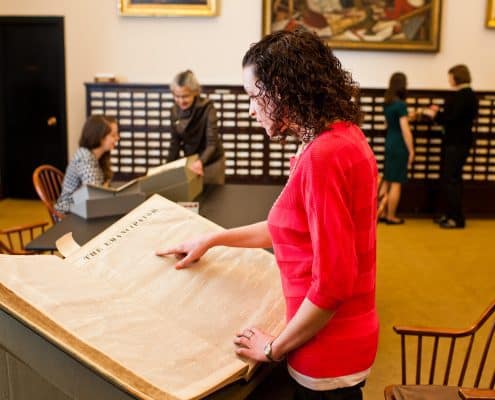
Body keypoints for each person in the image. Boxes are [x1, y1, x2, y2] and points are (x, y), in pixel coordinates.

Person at [157, 29, 379, 400]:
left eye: (251, 96)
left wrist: (272, 348)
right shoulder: (343, 136)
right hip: (348, 336)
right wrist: (212, 239)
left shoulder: (323, 157)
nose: (249, 108)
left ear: (280, 90)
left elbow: (333, 284)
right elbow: (291, 230)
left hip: (327, 351)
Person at [424, 64, 479, 229]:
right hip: (460, 142)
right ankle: (451, 214)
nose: (449, 79)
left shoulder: (463, 95)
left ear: (456, 77)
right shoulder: (469, 95)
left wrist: (435, 115)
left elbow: (451, 119)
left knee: (451, 180)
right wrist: (440, 112)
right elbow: (455, 116)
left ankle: (456, 218)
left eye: (450, 76)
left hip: (457, 142)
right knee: (453, 179)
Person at [167, 70, 225, 184]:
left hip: (212, 163)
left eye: (185, 96)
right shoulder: (174, 111)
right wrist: (166, 168)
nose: (181, 101)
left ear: (195, 92)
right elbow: (175, 144)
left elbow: (212, 144)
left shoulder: (208, 107)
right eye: (177, 96)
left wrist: (200, 162)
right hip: (192, 162)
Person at [55, 115, 119, 214]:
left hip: (85, 207)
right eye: (113, 135)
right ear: (100, 136)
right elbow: (95, 196)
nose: (117, 138)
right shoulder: (84, 158)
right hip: (69, 213)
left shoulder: (99, 156)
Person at [380, 72, 415, 225]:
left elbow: (387, 125)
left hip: (390, 141)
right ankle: (391, 216)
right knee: (396, 182)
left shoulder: (387, 103)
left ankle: (381, 212)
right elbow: (405, 130)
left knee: (387, 179)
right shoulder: (401, 105)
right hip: (400, 143)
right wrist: (412, 150)